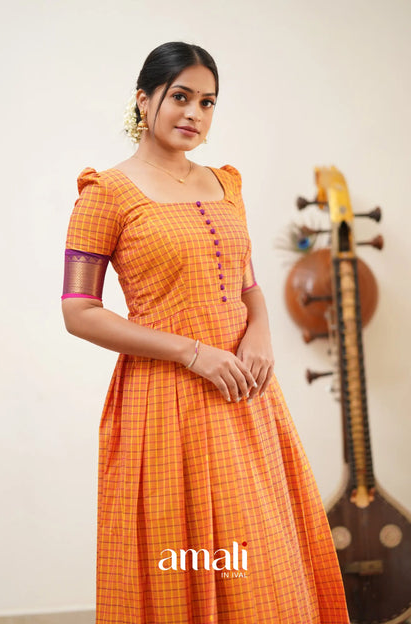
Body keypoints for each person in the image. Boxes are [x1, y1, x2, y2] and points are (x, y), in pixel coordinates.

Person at [61, 41, 349, 623]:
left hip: (244, 393)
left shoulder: (226, 185)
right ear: (144, 101)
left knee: (261, 556)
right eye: (180, 97)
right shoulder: (106, 194)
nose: (194, 113)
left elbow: (248, 284)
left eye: (208, 102)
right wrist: (193, 353)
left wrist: (260, 332)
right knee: (185, 557)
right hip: (163, 399)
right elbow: (78, 310)